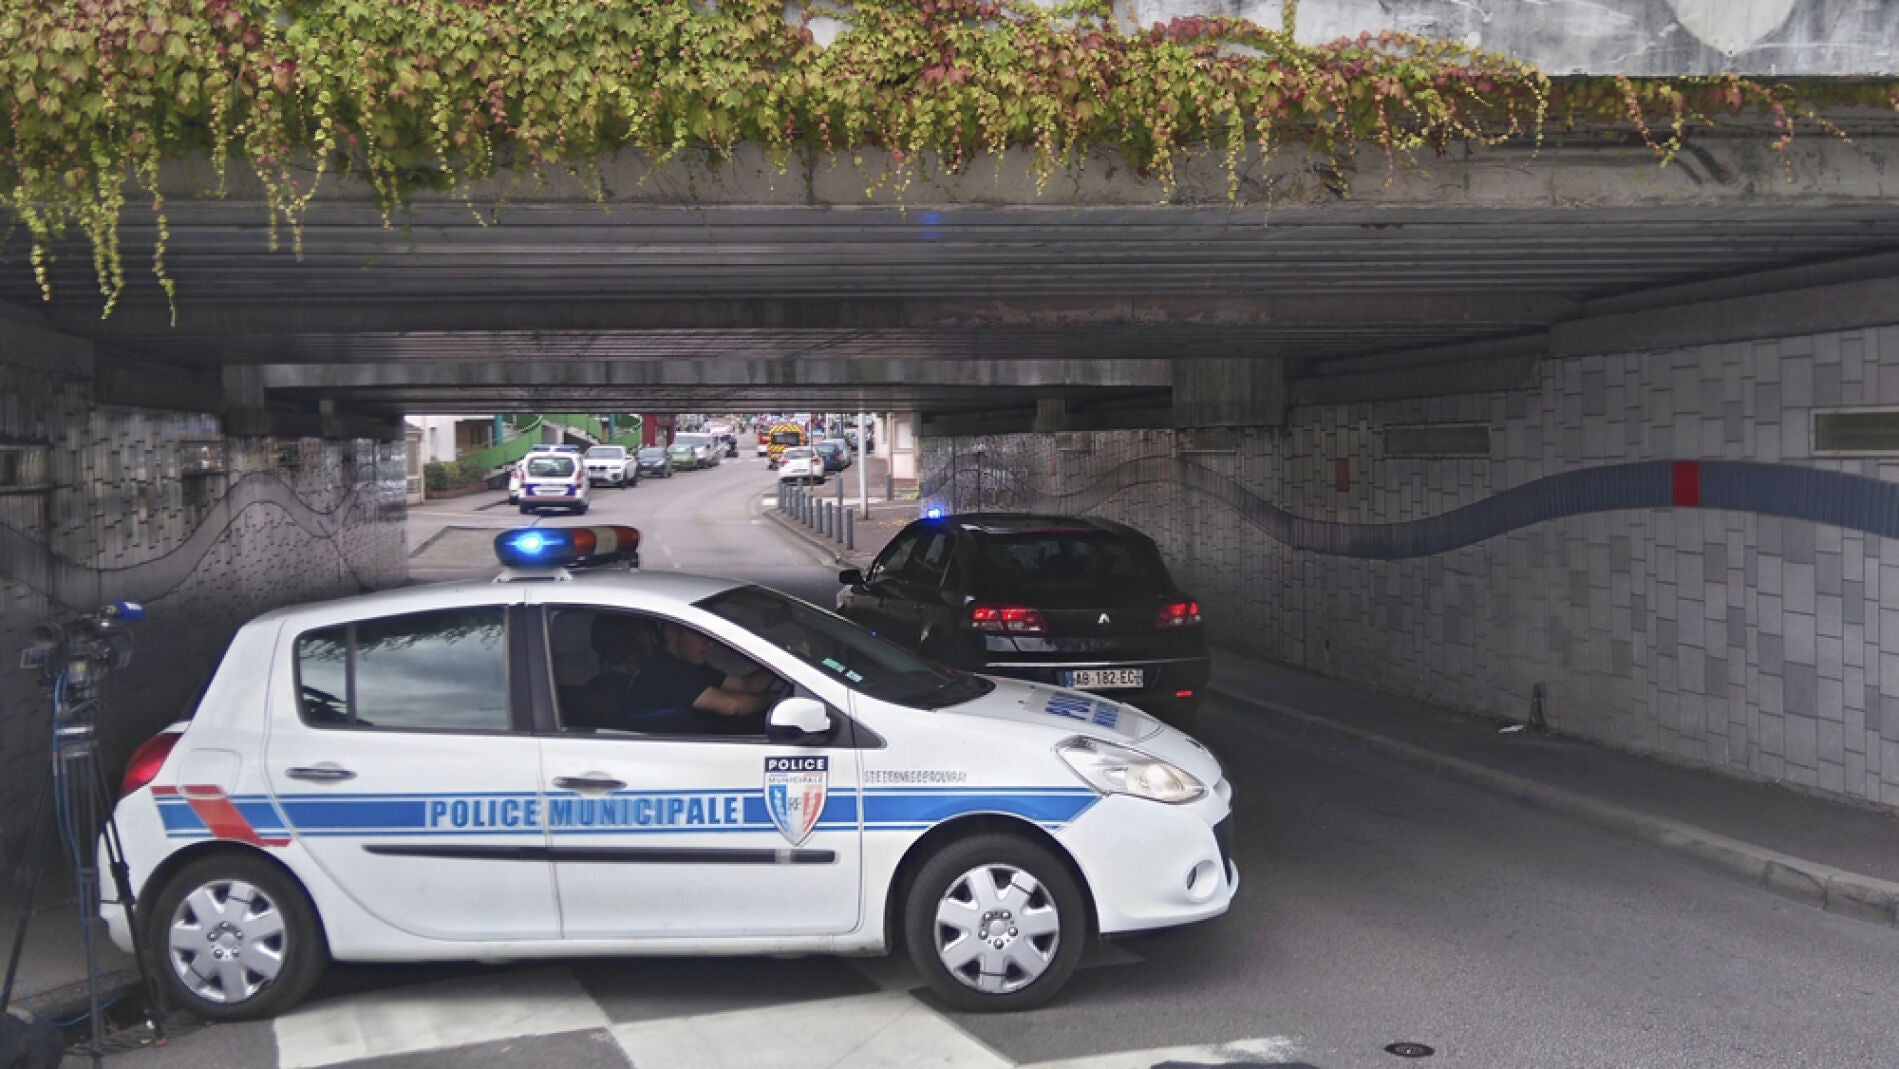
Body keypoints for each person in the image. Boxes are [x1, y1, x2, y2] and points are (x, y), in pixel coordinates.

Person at [623, 621, 777, 726]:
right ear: (672, 633)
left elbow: (746, 685)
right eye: (698, 634)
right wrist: (775, 699)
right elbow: (731, 706)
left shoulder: (689, 665)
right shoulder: (663, 674)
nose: (708, 642)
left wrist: (779, 662)